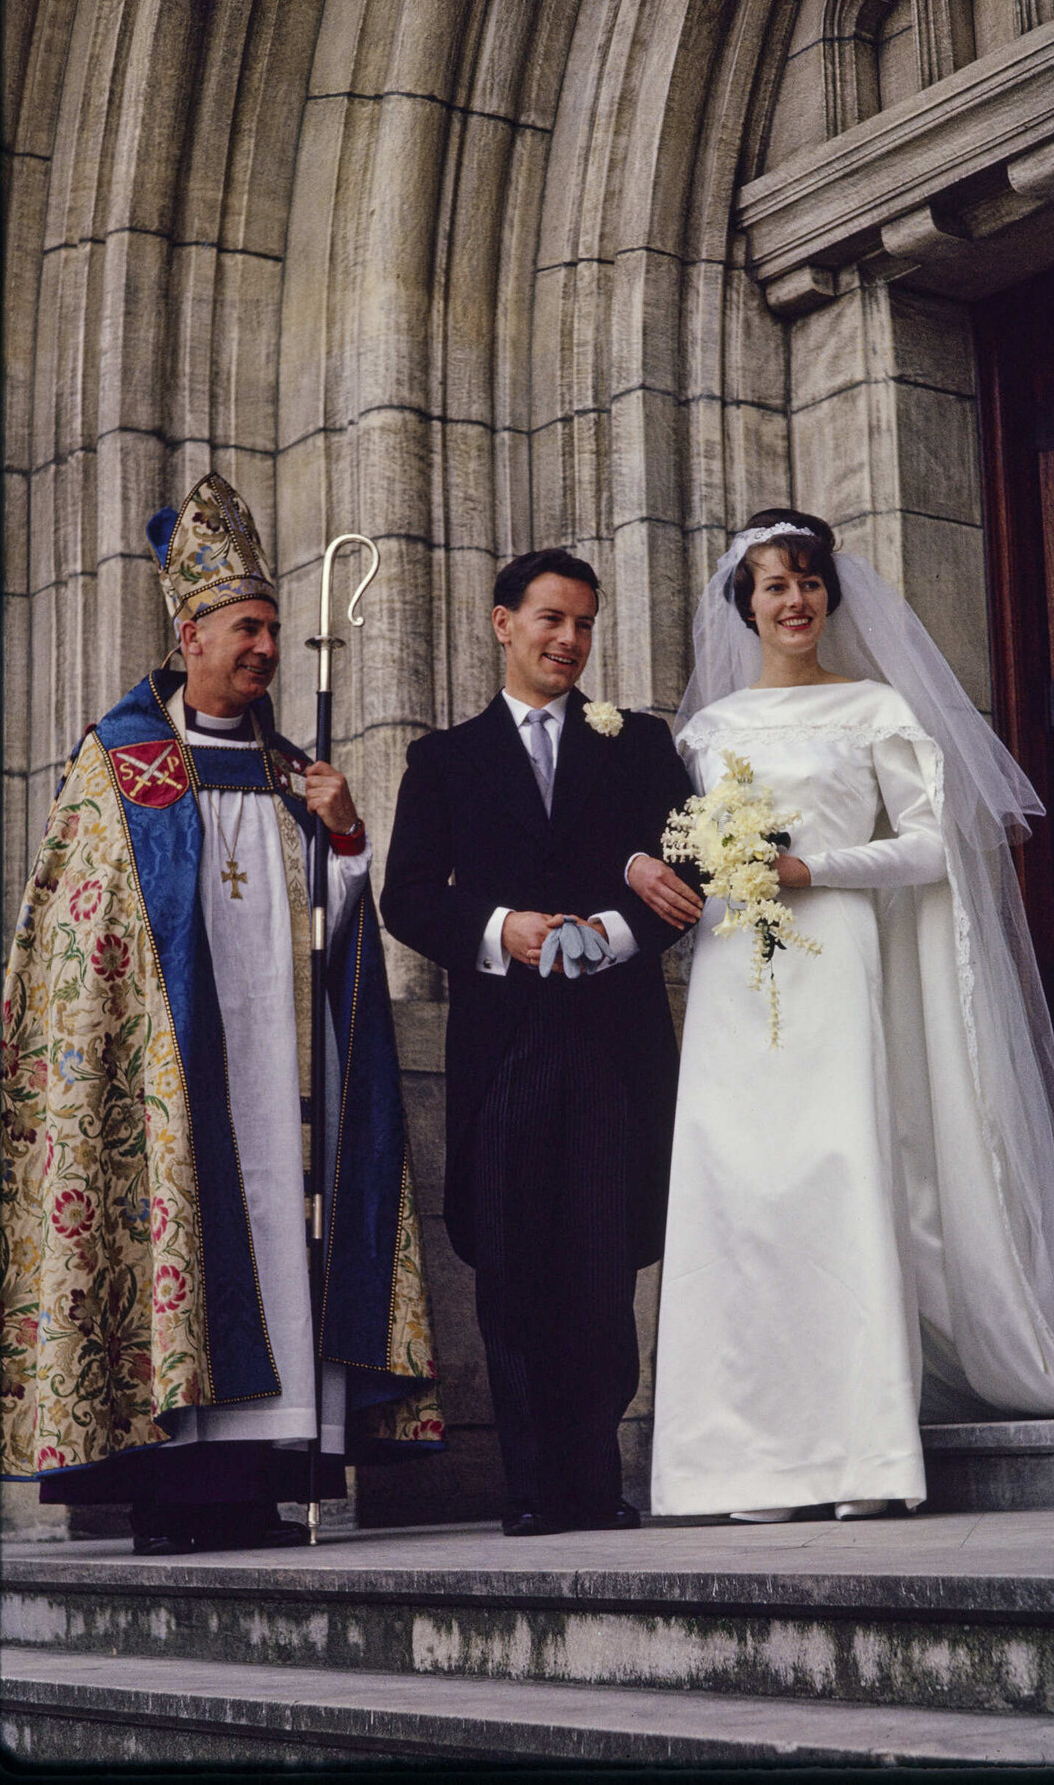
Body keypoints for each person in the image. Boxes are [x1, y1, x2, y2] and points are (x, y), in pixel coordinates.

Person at [643, 508, 1054, 1523]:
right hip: (738, 976)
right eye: (773, 585)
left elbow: (927, 845)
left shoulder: (871, 707)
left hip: (841, 971)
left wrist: (808, 865)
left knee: (840, 1183)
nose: (793, 601)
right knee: (741, 1197)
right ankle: (746, 1459)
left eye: (808, 582)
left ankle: (859, 1450)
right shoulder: (705, 732)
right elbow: (663, 853)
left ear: (830, 594)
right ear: (744, 604)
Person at [0, 471, 442, 1555]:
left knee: (282, 1252)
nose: (265, 649)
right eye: (246, 627)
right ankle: (175, 1489)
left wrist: (341, 837)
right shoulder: (121, 766)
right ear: (189, 634)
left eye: (276, 631)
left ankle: (265, 1473)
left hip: (278, 1066)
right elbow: (75, 938)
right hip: (171, 1075)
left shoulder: (297, 771)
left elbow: (338, 935)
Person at [381, 548, 700, 1535]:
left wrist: (611, 929)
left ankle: (592, 1481)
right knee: (514, 1270)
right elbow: (405, 897)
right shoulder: (443, 758)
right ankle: (528, 1489)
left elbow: (693, 867)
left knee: (601, 1266)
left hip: (613, 1040)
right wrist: (499, 929)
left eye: (584, 624)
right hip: (503, 1042)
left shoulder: (638, 744)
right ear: (500, 622)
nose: (569, 640)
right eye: (551, 619)